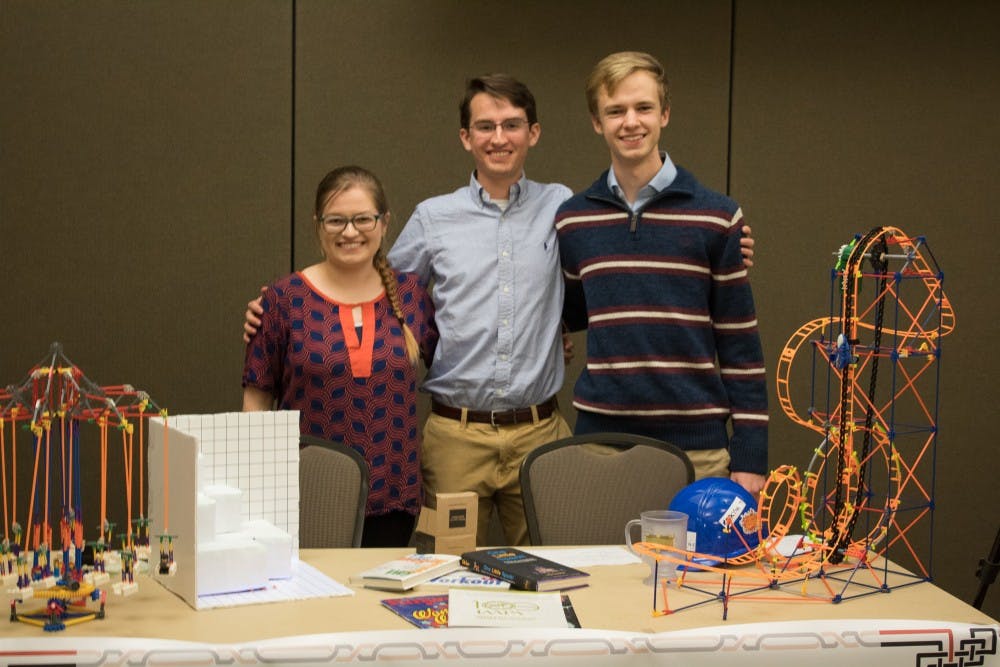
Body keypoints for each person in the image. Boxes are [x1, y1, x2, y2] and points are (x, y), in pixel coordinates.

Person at [243, 75, 757, 545]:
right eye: (484, 126)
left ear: (533, 133)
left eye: (512, 125)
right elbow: (372, 283)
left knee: (557, 571)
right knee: (439, 575)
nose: (498, 137)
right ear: (465, 137)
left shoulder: (567, 210)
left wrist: (729, 247)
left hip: (541, 435)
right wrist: (285, 305)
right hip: (454, 438)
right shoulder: (433, 219)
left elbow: (614, 269)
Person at [555, 51, 768, 498]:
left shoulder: (718, 217)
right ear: (597, 122)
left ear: (665, 114)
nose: (630, 122)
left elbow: (740, 345)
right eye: (615, 111)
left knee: (698, 571)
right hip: (599, 443)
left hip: (698, 449)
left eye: (643, 107)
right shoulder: (573, 221)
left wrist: (751, 454)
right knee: (601, 569)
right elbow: (573, 312)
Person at [242, 165, 437, 547]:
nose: (350, 232)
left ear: (384, 223)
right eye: (336, 220)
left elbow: (461, 361)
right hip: (306, 493)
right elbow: (256, 406)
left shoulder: (413, 295)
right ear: (318, 224)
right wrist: (258, 492)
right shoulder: (283, 300)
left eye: (363, 219)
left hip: (394, 498)